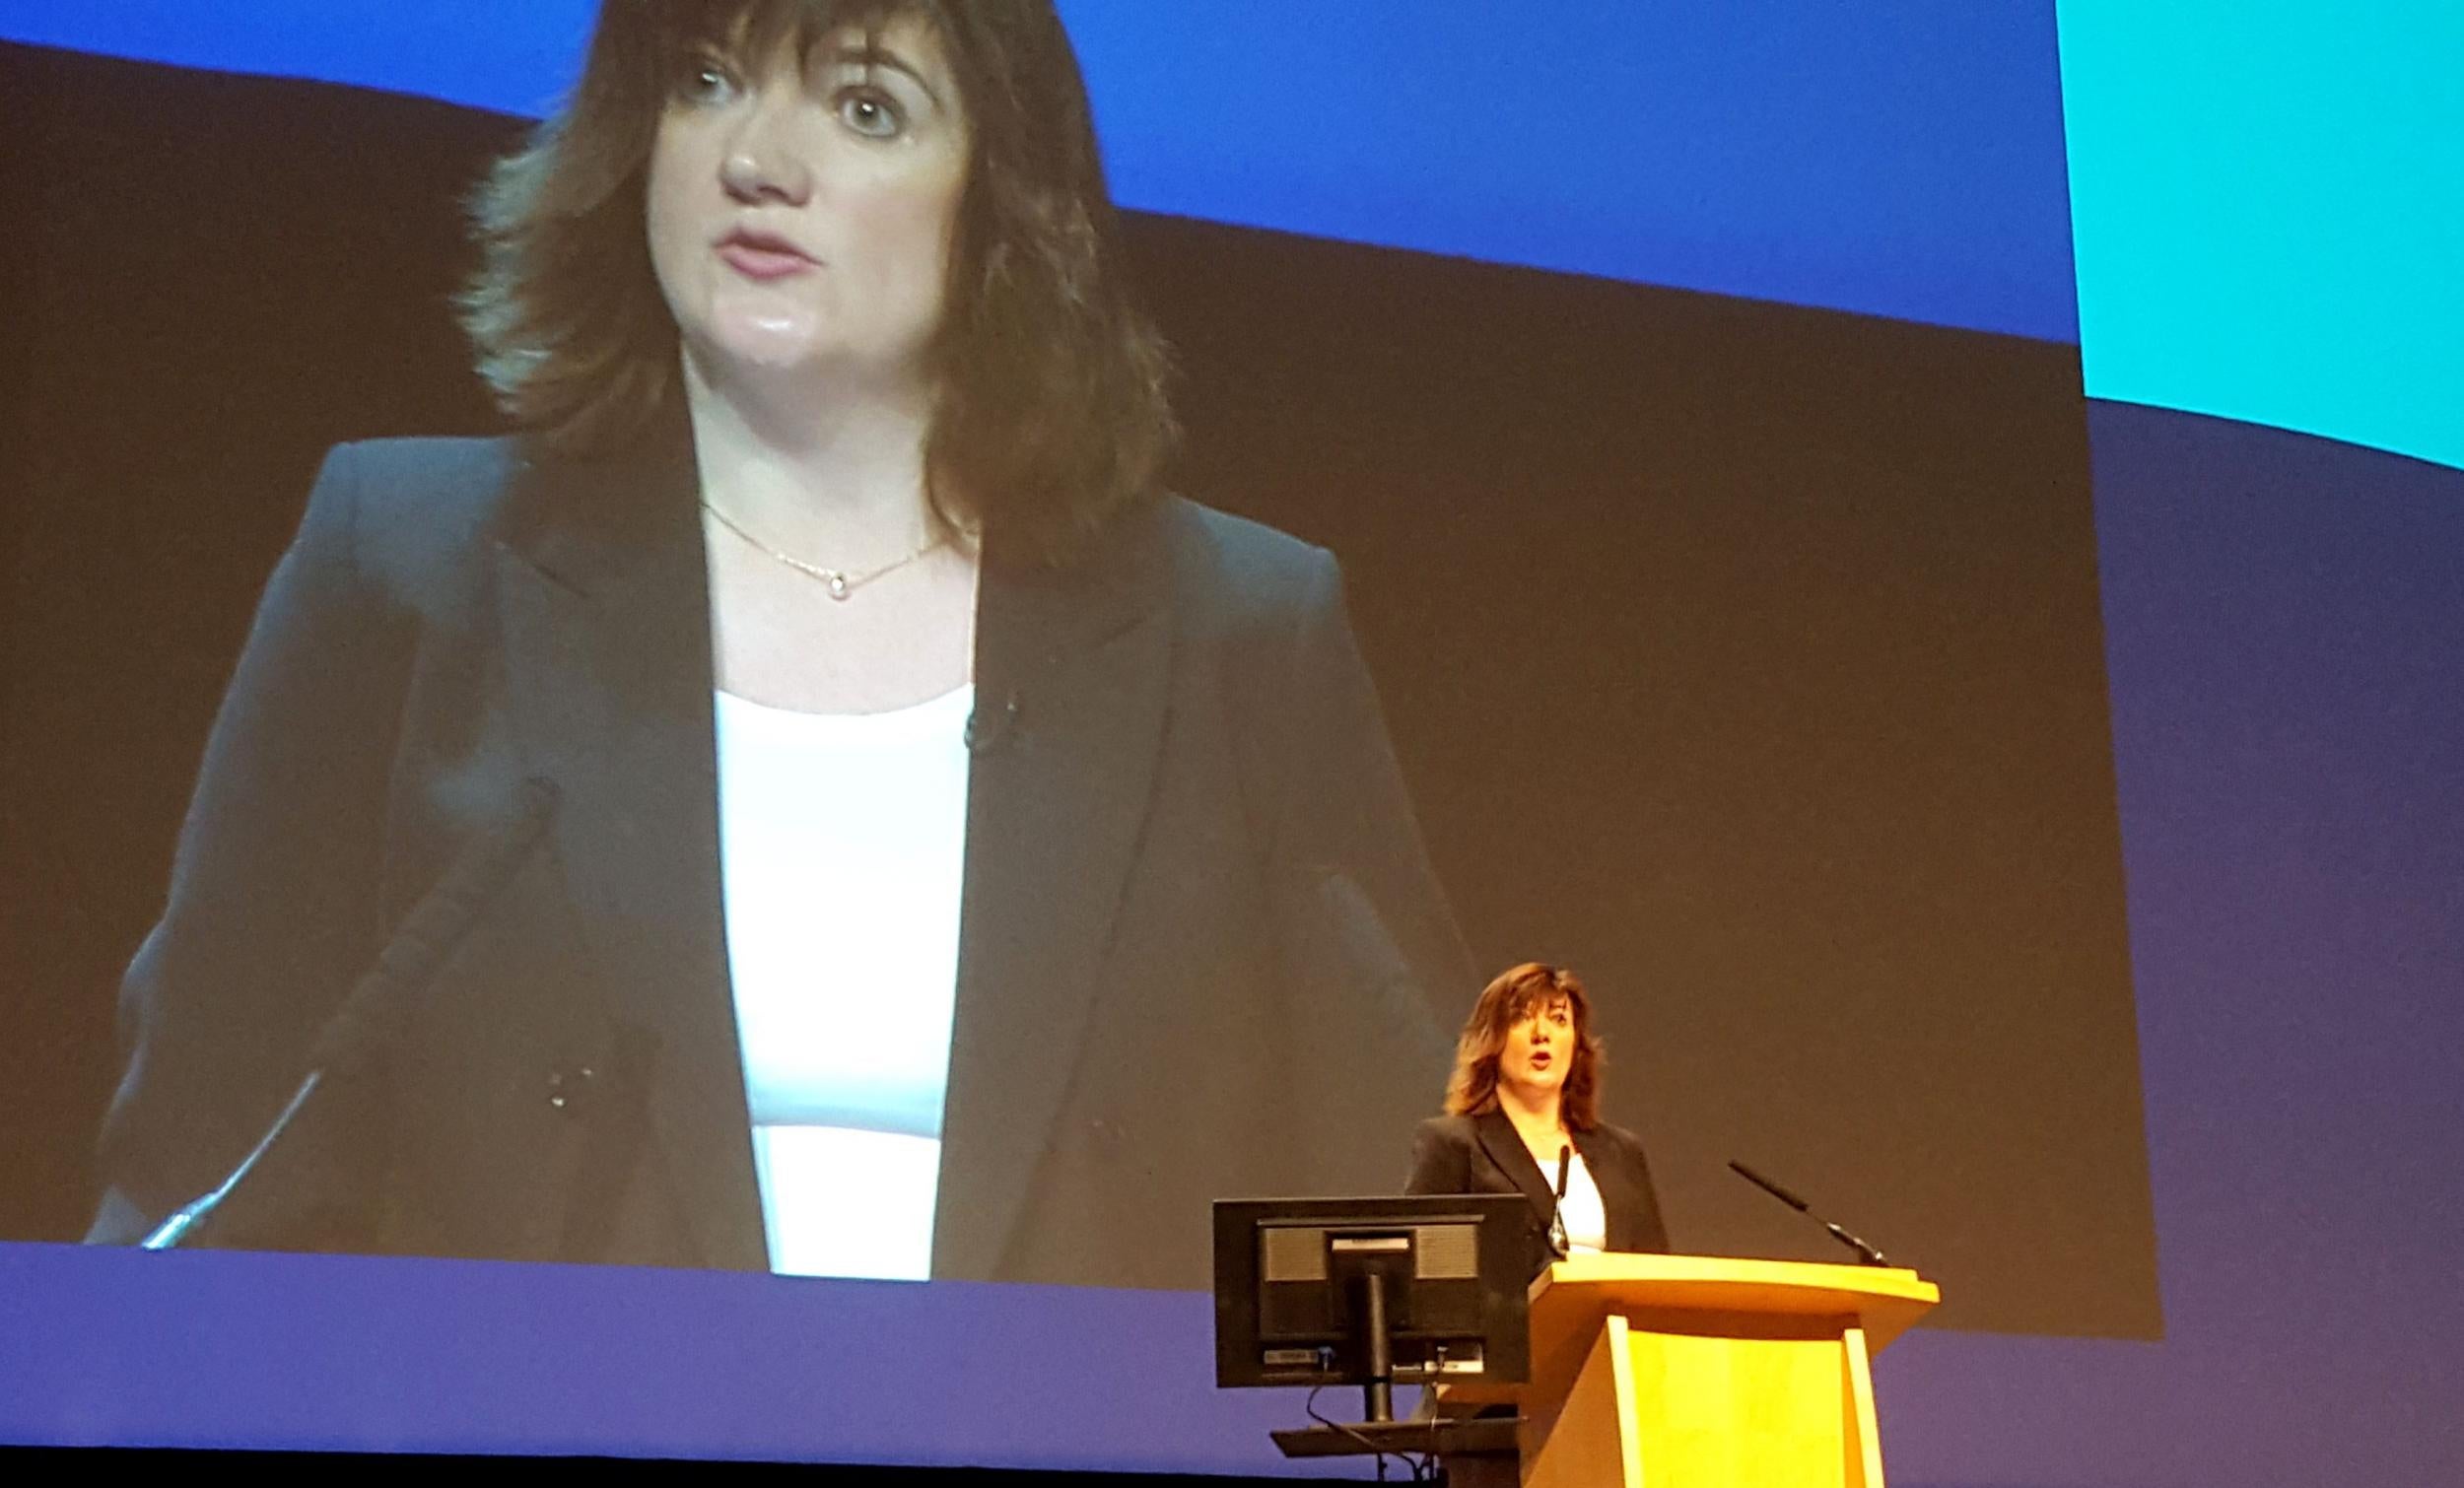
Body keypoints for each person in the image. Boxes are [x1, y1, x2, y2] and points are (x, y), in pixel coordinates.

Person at [85, 0, 1471, 1289]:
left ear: (1003, 201)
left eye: (864, 110)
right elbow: (208, 1168)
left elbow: (1407, 1205)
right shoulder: (404, 560)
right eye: (705, 84)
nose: (757, 158)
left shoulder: (1237, 626)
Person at [1405, 963, 1668, 1276]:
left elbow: (1658, 1273)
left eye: (1558, 1020)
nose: (1541, 1034)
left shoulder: (1622, 1152)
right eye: (1522, 1018)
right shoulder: (1453, 1144)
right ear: (1494, 1041)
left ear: (1575, 1044)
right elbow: (1424, 1273)